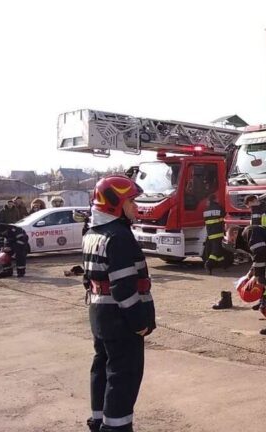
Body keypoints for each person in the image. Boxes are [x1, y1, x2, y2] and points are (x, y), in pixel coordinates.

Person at [83, 176, 155, 432]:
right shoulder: (119, 236)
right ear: (116, 204)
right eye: (131, 201)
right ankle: (116, 428)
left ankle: (98, 420)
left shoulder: (93, 232)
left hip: (100, 315)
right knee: (123, 376)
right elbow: (125, 288)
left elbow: (89, 279)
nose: (136, 207)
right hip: (120, 320)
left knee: (102, 367)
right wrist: (139, 323)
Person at [203, 194, 228, 276]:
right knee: (216, 250)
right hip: (218, 232)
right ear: (215, 199)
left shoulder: (206, 210)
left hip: (210, 233)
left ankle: (224, 265)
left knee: (219, 249)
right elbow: (226, 218)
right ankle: (209, 264)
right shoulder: (219, 208)